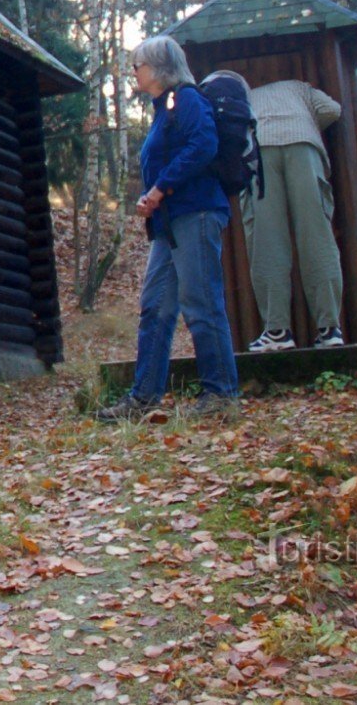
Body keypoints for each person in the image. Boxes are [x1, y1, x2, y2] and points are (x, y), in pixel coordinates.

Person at [98, 35, 241, 423]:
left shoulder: (187, 98)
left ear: (160, 67)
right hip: (168, 224)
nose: (134, 72)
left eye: (138, 64)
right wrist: (153, 197)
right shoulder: (164, 108)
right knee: (155, 309)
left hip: (194, 214)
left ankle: (221, 395)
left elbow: (203, 145)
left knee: (201, 303)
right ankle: (143, 398)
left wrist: (160, 189)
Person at [241, 77, 346, 352]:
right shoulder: (303, 88)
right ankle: (329, 329)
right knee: (317, 237)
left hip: (260, 149)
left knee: (268, 242)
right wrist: (307, 123)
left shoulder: (249, 94)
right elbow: (333, 110)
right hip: (304, 147)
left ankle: (277, 332)